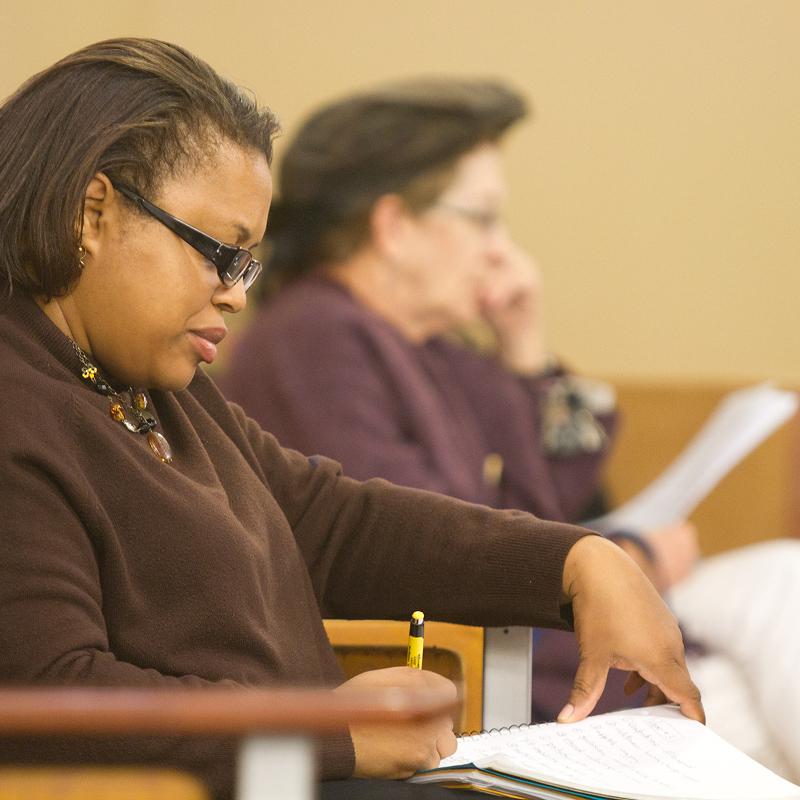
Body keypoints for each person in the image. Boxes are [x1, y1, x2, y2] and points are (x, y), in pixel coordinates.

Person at [0, 39, 703, 800]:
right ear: (91, 213)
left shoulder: (152, 385)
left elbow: (331, 522)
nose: (237, 293)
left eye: (249, 262)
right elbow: (48, 699)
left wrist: (577, 560)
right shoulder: (24, 405)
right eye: (219, 252)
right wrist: (318, 730)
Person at [217, 78, 800, 781]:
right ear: (395, 227)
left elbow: (558, 496)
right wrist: (632, 557)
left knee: (783, 579)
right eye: (483, 219)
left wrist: (527, 356)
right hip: (505, 672)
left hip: (538, 640)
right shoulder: (318, 340)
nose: (501, 250)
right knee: (782, 609)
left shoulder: (424, 345)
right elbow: (426, 547)